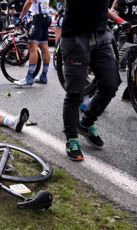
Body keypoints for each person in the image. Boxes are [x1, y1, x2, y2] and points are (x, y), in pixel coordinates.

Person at [60, 0, 130, 161]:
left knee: (110, 85)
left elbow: (102, 7)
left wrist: (119, 20)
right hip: (76, 38)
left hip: (102, 37)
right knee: (75, 93)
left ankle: (85, 123)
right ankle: (72, 139)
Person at [14, 0, 52, 86]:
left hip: (38, 18)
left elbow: (29, 2)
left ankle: (29, 77)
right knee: (44, 46)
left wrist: (20, 18)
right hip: (47, 17)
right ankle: (43, 76)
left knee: (32, 46)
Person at [111, 0, 137, 100]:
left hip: (135, 28)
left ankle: (131, 88)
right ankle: (102, 83)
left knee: (133, 59)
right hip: (125, 28)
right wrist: (113, 10)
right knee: (120, 58)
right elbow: (116, 3)